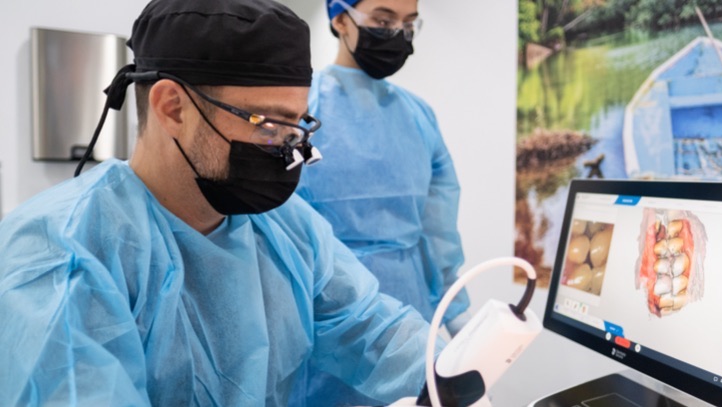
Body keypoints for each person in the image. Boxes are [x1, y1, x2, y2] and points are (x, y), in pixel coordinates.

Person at [0, 0, 438, 405]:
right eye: (268, 123)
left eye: (295, 126)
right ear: (173, 107)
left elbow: (370, 329)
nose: (286, 148)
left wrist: (452, 373)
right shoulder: (58, 253)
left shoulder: (286, 228)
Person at [293, 1, 472, 404]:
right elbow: (284, 229)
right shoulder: (302, 114)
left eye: (408, 24)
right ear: (340, 20)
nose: (398, 36)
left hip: (412, 315)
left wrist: (457, 310)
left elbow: (437, 225)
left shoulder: (418, 114)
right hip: (328, 318)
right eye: (383, 21)